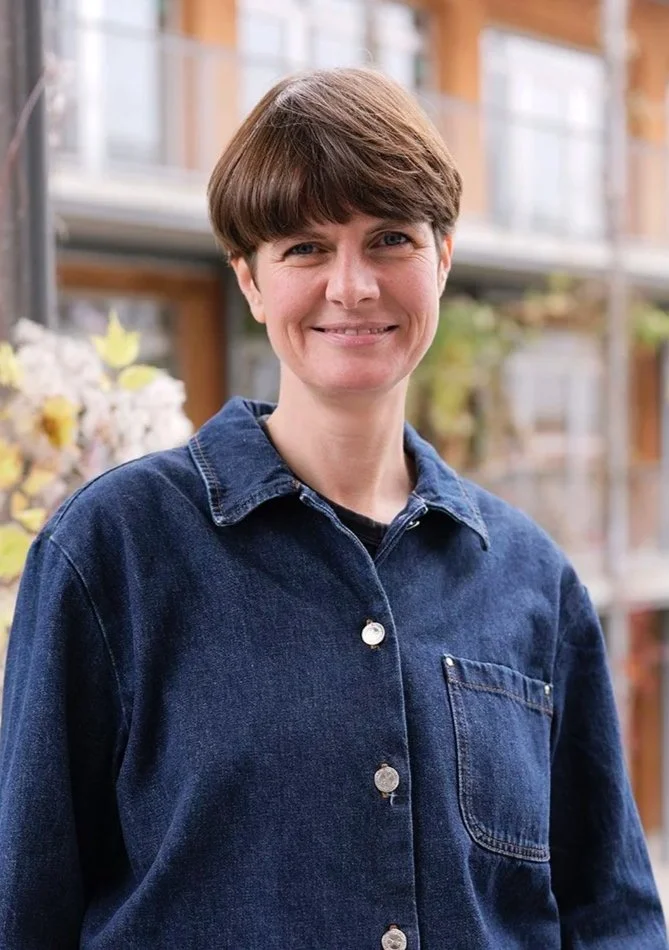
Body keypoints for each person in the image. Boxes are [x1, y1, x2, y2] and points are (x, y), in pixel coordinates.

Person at [0, 67, 666, 950]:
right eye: (304, 248)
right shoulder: (110, 552)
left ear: (442, 258)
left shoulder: (531, 579)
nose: (350, 286)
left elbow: (610, 916)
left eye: (388, 238)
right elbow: (26, 912)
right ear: (247, 280)